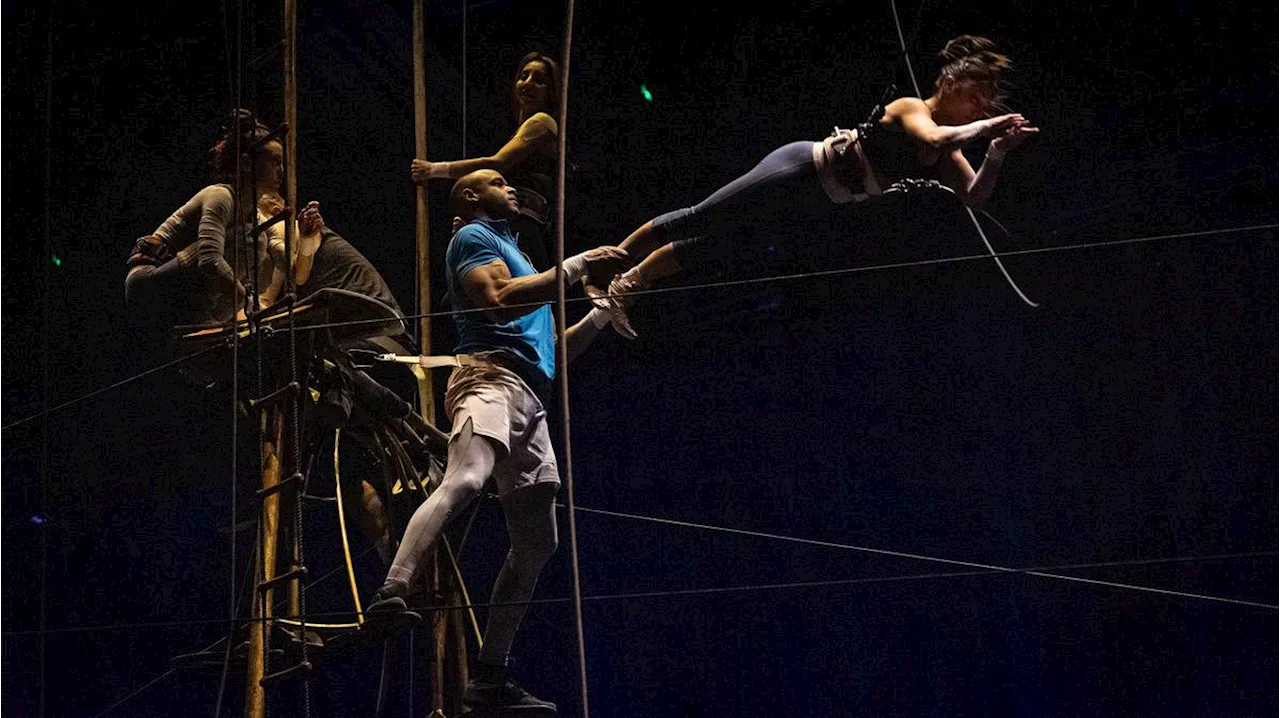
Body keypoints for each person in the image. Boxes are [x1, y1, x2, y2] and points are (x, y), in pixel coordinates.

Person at [366, 169, 628, 713]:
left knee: (539, 541)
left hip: (530, 397)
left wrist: (600, 314)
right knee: (466, 477)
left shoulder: (520, 256)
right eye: (497, 181)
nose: (509, 188)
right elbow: (496, 300)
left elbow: (552, 353)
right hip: (488, 378)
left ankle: (489, 676)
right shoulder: (473, 238)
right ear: (468, 194)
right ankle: (392, 590)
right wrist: (575, 266)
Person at [590, 35, 1039, 337]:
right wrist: (985, 127)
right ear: (948, 81)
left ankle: (627, 284)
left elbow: (974, 197)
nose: (979, 107)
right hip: (801, 168)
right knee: (702, 216)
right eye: (976, 96)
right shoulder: (912, 108)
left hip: (815, 204)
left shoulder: (949, 152)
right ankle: (603, 263)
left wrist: (996, 153)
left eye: (986, 102)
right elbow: (932, 136)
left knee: (717, 247)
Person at [125, 110, 292, 332]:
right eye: (273, 162)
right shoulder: (220, 196)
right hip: (149, 283)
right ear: (246, 163)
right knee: (249, 239)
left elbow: (277, 249)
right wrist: (246, 300)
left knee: (259, 237)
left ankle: (208, 316)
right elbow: (209, 259)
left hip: (184, 293)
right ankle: (206, 317)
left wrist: (291, 250)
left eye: (281, 164)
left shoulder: (253, 214)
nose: (280, 171)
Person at [411, 52, 561, 269]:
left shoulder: (543, 122)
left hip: (527, 227)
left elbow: (497, 163)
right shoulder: (522, 129)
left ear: (551, 92)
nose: (527, 84)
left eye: (539, 80)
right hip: (509, 225)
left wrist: (434, 170)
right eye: (524, 76)